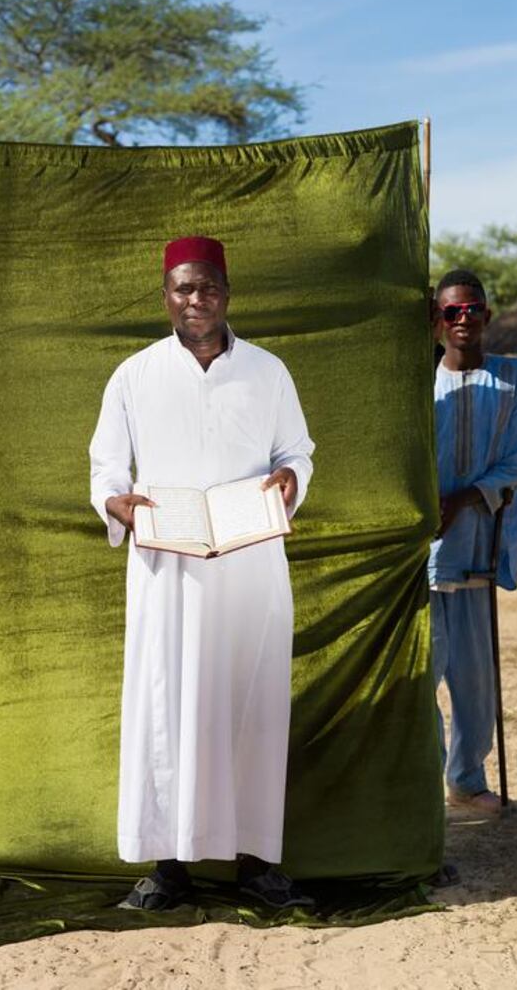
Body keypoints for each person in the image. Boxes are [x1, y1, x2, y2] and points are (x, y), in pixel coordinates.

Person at [89, 236, 315, 910]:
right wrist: (115, 502)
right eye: (184, 288)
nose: (197, 299)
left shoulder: (269, 372)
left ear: (227, 292)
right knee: (167, 707)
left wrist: (289, 480)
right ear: (166, 296)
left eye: (208, 286)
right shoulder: (134, 375)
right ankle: (169, 869)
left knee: (254, 706)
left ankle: (256, 868)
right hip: (170, 574)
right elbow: (106, 465)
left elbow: (298, 451)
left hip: (250, 569)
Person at [429, 269, 517, 815]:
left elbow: (514, 464)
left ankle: (466, 783)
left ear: (487, 315)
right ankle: (425, 792)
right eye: (451, 312)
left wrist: (464, 497)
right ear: (436, 323)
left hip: (479, 549)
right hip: (425, 558)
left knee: (475, 683)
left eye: (472, 309)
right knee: (420, 677)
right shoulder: (419, 389)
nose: (463, 319)